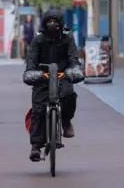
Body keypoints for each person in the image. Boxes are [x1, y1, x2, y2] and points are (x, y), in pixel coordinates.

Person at [23, 10, 84, 162]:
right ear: (44, 24)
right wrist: (34, 74)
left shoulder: (67, 39)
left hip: (63, 76)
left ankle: (66, 121)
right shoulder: (37, 41)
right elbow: (30, 62)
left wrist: (73, 71)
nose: (52, 24)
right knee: (38, 109)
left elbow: (73, 59)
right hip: (42, 78)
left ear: (61, 24)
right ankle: (36, 146)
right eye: (48, 21)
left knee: (69, 95)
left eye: (54, 21)